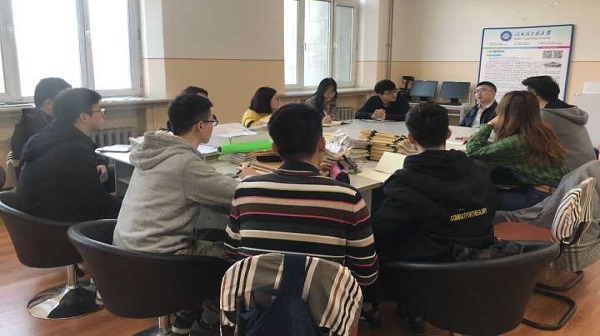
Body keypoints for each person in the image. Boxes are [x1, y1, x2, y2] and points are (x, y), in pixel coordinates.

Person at [113, 93, 256, 335]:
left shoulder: (152, 152)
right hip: (160, 261)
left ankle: (185, 316)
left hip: (125, 253)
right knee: (238, 255)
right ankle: (209, 321)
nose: (213, 125)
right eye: (212, 121)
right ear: (200, 126)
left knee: (211, 233)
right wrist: (247, 177)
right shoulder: (186, 164)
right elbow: (238, 195)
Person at [225, 103, 378, 285]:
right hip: (323, 301)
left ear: (274, 149)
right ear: (322, 144)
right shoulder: (347, 197)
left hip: (255, 299)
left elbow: (231, 252)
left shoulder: (245, 190)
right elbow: (366, 275)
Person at [373, 102, 497, 263]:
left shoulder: (403, 182)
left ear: (410, 139)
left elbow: (379, 233)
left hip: (427, 265)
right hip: (478, 257)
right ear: (448, 133)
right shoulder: (477, 171)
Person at [16, 88, 120, 222]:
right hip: (61, 226)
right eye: (100, 111)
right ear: (84, 117)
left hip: (38, 221)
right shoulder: (75, 150)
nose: (104, 115)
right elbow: (99, 205)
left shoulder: (51, 135)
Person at [466, 91, 569, 211]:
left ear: (506, 112)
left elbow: (473, 150)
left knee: (476, 200)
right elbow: (503, 147)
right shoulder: (542, 131)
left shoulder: (517, 141)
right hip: (555, 192)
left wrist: (489, 124)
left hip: (539, 198)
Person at [522, 75, 596, 170]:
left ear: (534, 95)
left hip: (570, 171)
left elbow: (526, 142)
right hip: (588, 169)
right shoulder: (569, 111)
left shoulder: (546, 115)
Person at [10, 77, 71, 178]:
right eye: (67, 102)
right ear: (48, 103)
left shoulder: (55, 120)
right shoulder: (27, 128)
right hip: (42, 182)